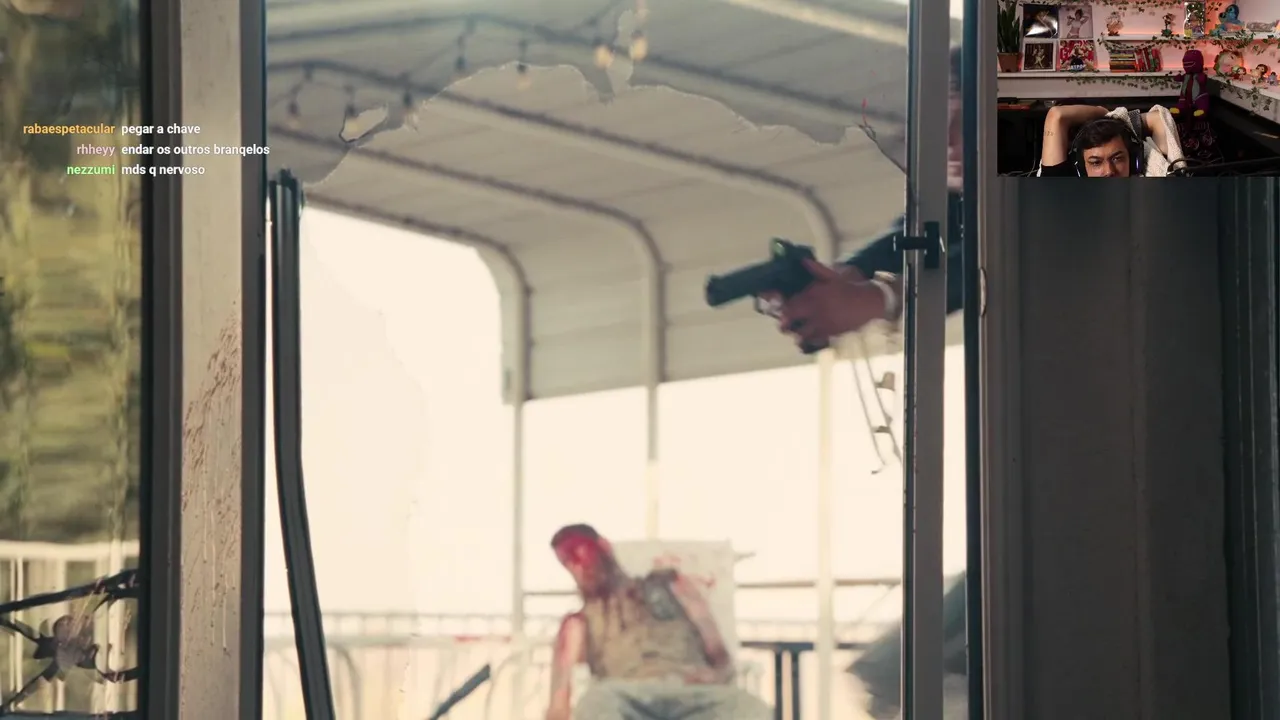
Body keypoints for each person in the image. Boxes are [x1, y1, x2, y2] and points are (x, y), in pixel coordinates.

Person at [765, 47, 969, 720]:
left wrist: (876, 297)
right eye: (934, 127)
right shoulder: (963, 197)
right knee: (889, 671)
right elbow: (915, 236)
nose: (944, 144)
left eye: (963, 123)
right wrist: (842, 278)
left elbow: (984, 259)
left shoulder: (1050, 193)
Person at [544, 524, 771, 720]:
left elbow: (718, 650)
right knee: (595, 704)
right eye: (566, 563)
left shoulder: (673, 584)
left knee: (750, 708)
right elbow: (559, 702)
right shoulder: (578, 622)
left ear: (603, 546)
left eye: (577, 554)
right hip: (626, 697)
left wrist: (717, 674)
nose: (574, 568)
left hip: (692, 691)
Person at [1036, 103, 1181, 177]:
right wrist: (1104, 112)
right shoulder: (1060, 190)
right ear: (1081, 167)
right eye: (1096, 163)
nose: (1109, 171)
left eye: (1117, 158)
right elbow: (1056, 115)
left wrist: (1109, 117)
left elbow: (1156, 118)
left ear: (1133, 160)